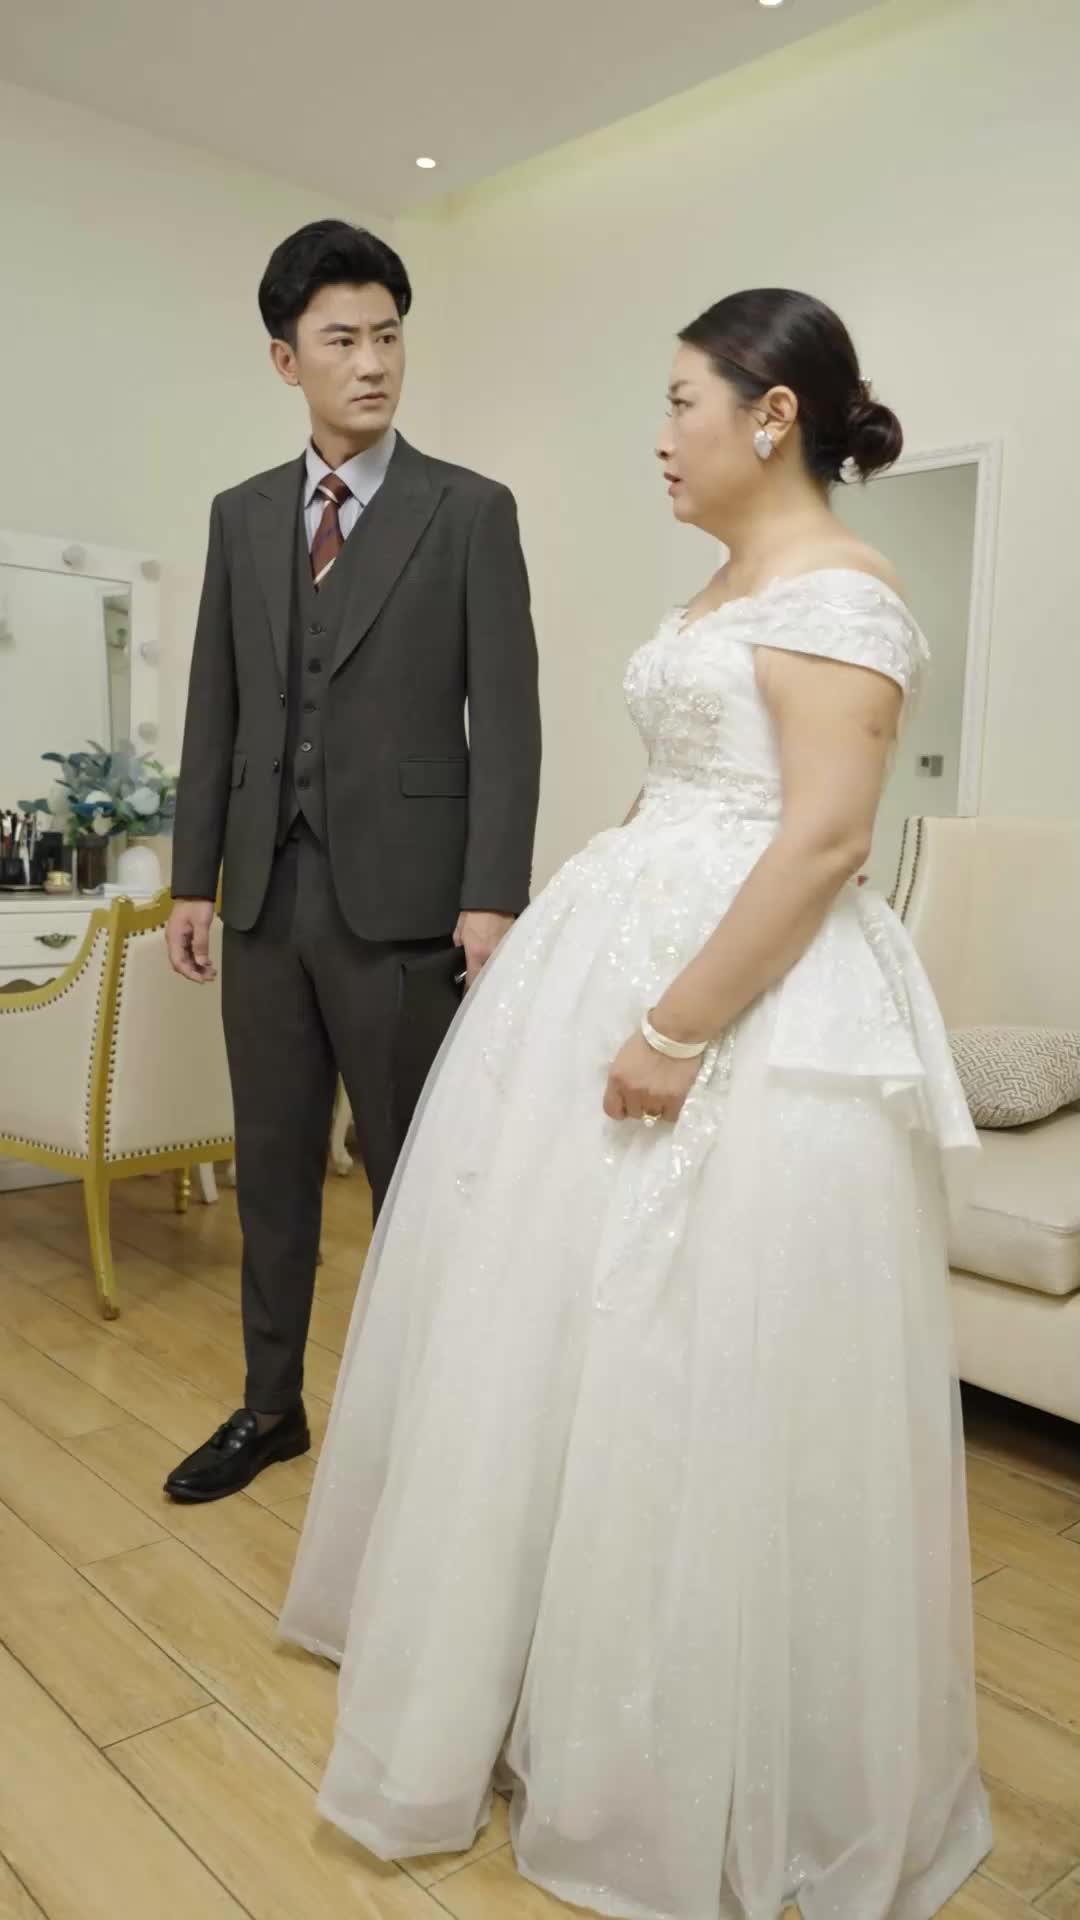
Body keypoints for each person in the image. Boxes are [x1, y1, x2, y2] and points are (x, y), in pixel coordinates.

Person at [280, 288, 991, 1920]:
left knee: (704, 1346)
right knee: (569, 1336)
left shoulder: (842, 593)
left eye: (683, 401)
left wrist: (673, 1026)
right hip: (619, 959)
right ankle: (557, 1678)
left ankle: (699, 1743)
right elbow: (685, 785)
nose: (660, 436)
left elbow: (823, 838)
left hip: (745, 1006)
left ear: (772, 413)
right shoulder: (725, 588)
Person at [162, 221, 541, 1504]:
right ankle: (270, 1408)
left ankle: (426, 1422)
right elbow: (214, 706)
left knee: (413, 1178)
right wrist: (195, 878)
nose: (373, 362)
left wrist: (492, 896)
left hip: (410, 905)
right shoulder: (243, 516)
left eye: (388, 336)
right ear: (288, 360)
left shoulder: (469, 511)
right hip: (265, 897)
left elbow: (511, 719)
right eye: (342, 340)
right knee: (272, 1170)